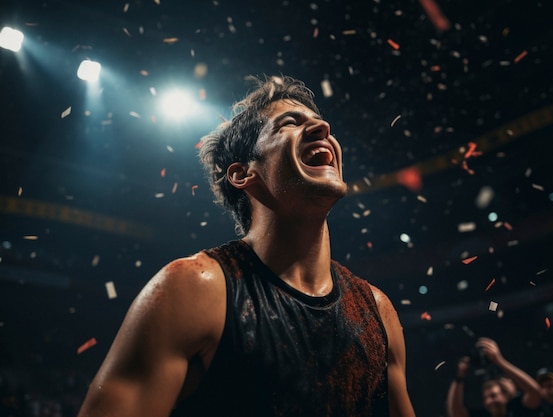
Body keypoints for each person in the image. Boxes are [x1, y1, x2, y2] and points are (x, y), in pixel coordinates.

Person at [76, 75, 416, 417]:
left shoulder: (377, 309)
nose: (322, 128)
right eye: (290, 123)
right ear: (242, 174)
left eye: (318, 121)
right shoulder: (192, 289)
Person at [446, 337, 542, 417]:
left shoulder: (518, 410)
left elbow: (535, 392)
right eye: (485, 398)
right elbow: (456, 413)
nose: (489, 401)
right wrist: (458, 378)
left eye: (493, 395)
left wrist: (500, 361)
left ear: (505, 396)